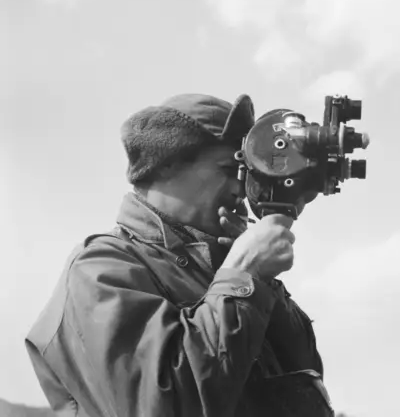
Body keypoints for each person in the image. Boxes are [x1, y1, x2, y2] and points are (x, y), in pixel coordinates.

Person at [25, 93, 333, 417]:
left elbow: (305, 373)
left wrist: (259, 281)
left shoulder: (219, 265)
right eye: (230, 169)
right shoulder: (100, 268)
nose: (241, 189)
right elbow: (164, 401)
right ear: (167, 162)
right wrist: (245, 274)